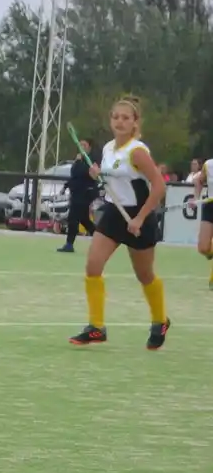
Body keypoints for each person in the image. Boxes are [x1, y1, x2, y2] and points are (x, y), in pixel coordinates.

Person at [69, 95, 170, 349]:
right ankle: (96, 327)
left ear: (135, 123)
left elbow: (159, 187)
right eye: (116, 117)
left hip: (139, 216)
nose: (119, 122)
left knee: (144, 275)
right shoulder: (108, 149)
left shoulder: (137, 152)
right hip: (114, 213)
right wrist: (97, 173)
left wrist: (140, 217)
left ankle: (160, 320)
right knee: (93, 265)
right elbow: (110, 178)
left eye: (126, 118)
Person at [58, 136, 99, 253]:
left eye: (84, 146)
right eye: (80, 145)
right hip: (76, 192)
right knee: (84, 219)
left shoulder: (91, 160)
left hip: (85, 193)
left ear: (89, 148)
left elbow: (85, 173)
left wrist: (80, 161)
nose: (81, 148)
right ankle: (99, 239)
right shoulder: (79, 160)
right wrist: (65, 186)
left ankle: (69, 244)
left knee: (73, 218)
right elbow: (74, 175)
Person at [191, 157, 213, 288]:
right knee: (203, 248)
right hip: (210, 205)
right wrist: (196, 197)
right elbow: (199, 181)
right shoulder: (208, 165)